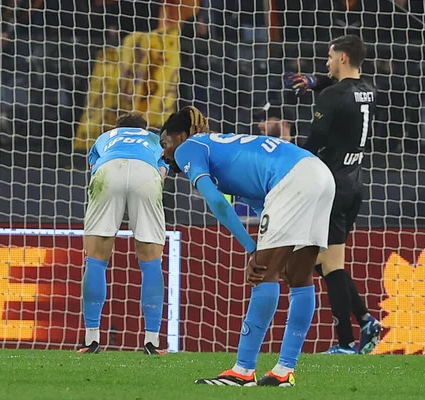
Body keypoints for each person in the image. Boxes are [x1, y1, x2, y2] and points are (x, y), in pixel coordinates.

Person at [160, 106, 336, 386]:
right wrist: (263, 245)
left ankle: (242, 371)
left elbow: (217, 203)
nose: (164, 153)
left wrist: (252, 248)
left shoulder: (188, 148)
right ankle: (284, 371)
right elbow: (260, 199)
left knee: (263, 273)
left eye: (164, 143)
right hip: (320, 174)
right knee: (299, 277)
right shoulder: (219, 147)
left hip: (293, 178)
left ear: (180, 136)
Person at [283, 34, 382, 354]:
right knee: (322, 264)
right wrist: (316, 82)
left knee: (331, 266)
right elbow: (342, 90)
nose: (325, 63)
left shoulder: (331, 98)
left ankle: (348, 340)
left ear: (342, 58)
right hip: (355, 185)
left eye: (329, 57)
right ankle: (364, 322)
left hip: (331, 188)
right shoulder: (369, 90)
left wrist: (284, 162)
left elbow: (313, 144)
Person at [77, 112, 171, 355]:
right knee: (151, 261)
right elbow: (162, 170)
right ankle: (152, 341)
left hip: (109, 170)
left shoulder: (104, 137)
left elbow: (93, 167)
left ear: (118, 128)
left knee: (96, 258)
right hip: (146, 174)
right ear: (144, 128)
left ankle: (91, 340)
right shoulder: (154, 139)